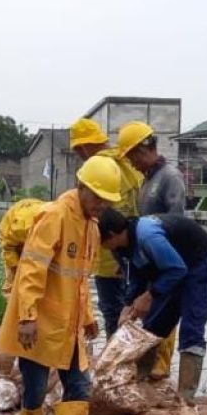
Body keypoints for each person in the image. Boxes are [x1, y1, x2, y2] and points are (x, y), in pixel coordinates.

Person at [0, 156, 121, 415]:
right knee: (36, 388)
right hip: (41, 322)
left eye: (107, 202)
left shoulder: (92, 228)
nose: (101, 206)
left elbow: (80, 280)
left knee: (79, 386)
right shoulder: (54, 217)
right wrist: (26, 317)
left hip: (71, 325)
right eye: (97, 198)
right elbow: (31, 271)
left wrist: (89, 317)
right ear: (81, 187)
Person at [98, 208, 207, 404]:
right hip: (171, 268)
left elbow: (178, 269)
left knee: (191, 329)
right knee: (153, 325)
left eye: (101, 241)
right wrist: (128, 303)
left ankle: (186, 397)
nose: (101, 247)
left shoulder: (148, 237)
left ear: (110, 235)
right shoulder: (121, 247)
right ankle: (140, 380)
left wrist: (150, 295)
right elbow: (137, 275)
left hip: (196, 263)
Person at [116, 121, 185, 377]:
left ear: (141, 150)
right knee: (146, 309)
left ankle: (161, 366)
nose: (131, 164)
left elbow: (177, 221)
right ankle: (148, 361)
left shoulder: (170, 177)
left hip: (167, 256)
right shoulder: (147, 181)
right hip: (148, 256)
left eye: (132, 157)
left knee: (165, 307)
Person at [67, 117, 142, 338]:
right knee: (131, 308)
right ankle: (132, 359)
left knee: (112, 310)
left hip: (108, 254)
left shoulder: (96, 168)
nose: (79, 155)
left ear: (83, 147)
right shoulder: (126, 162)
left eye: (78, 151)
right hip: (132, 249)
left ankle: (114, 358)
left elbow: (85, 213)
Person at [0, 197, 47, 295]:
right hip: (11, 236)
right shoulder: (22, 227)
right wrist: (16, 268)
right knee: (14, 283)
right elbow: (8, 246)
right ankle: (10, 304)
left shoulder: (58, 226)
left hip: (31, 232)